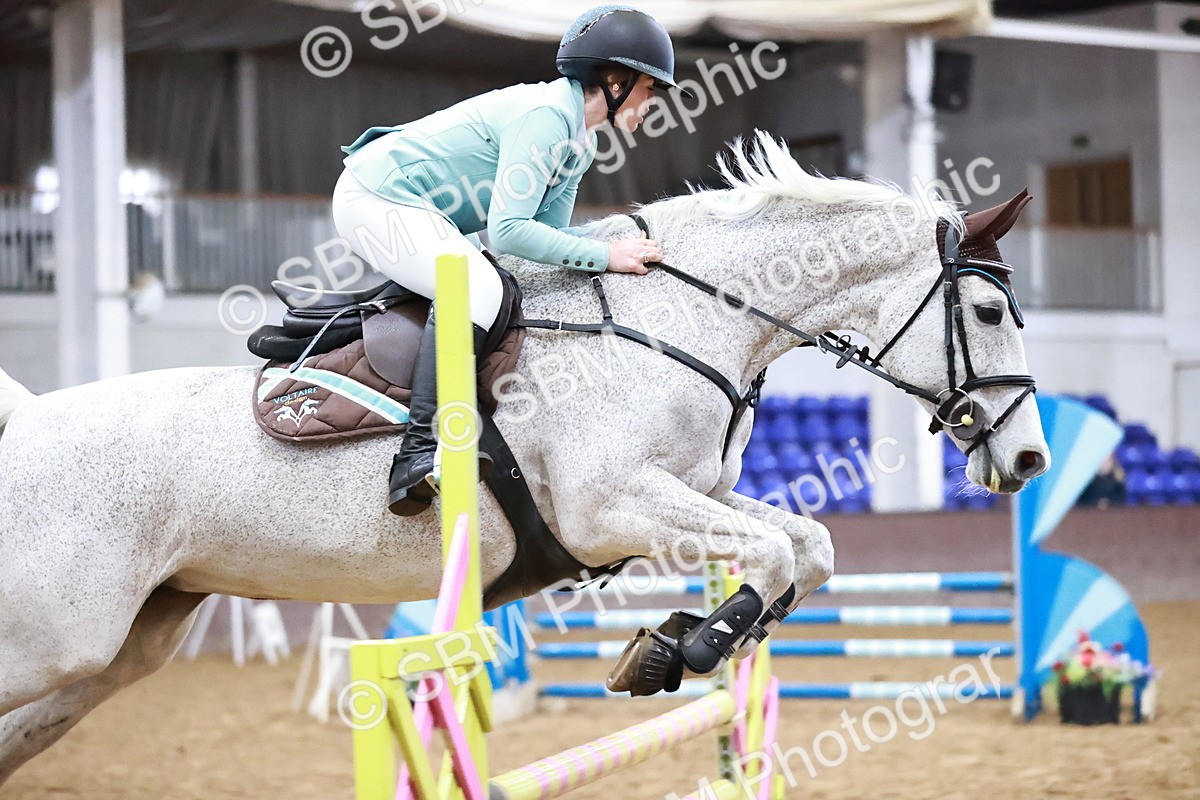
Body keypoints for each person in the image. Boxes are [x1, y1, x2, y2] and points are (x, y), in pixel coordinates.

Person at [331, 5, 684, 516]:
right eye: (651, 88)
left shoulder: (579, 143)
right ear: (614, 80)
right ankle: (418, 454)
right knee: (476, 289)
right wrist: (608, 254)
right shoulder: (546, 119)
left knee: (497, 283)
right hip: (376, 196)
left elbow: (549, 240)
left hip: (415, 209)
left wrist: (612, 247)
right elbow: (510, 230)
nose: (653, 102)